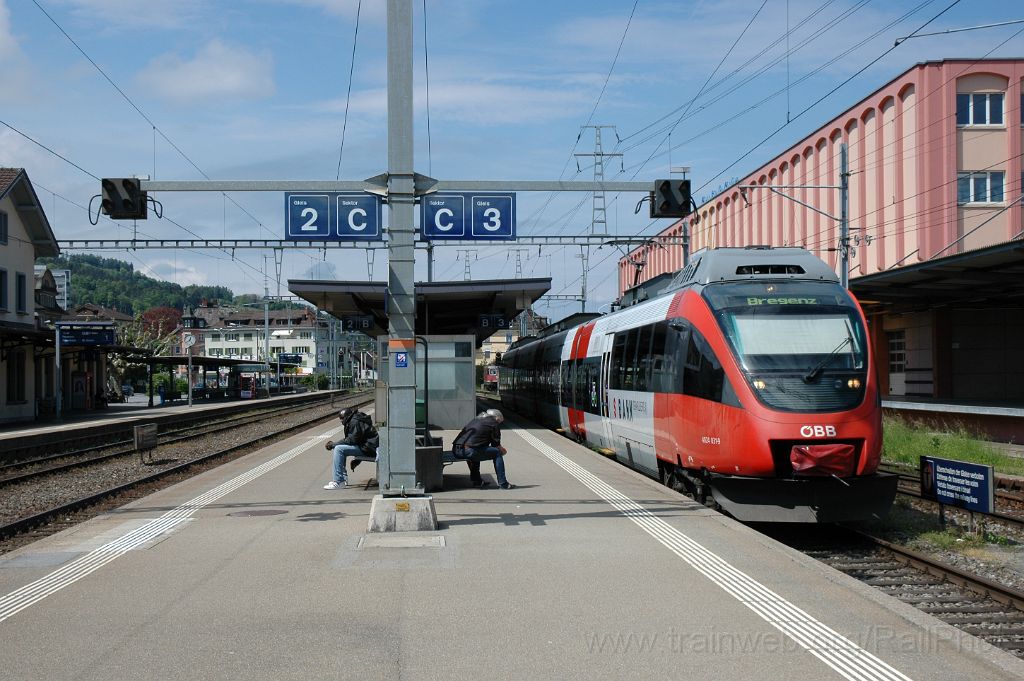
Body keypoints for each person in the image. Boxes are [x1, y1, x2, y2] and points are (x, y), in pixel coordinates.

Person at [452, 408, 515, 489]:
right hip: (468, 450)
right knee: (497, 453)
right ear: (497, 418)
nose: (498, 424)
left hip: (456, 450)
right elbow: (496, 445)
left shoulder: (477, 419)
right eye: (499, 422)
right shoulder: (494, 423)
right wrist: (503, 450)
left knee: (478, 450)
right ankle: (503, 483)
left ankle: (477, 481)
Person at [323, 408, 379, 490]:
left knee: (339, 449)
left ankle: (338, 481)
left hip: (370, 448)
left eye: (342, 419)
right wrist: (358, 460)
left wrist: (333, 444)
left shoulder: (354, 422)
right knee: (340, 448)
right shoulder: (355, 419)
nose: (341, 421)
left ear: (347, 417)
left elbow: (352, 440)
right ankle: (343, 480)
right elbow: (358, 439)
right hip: (369, 447)